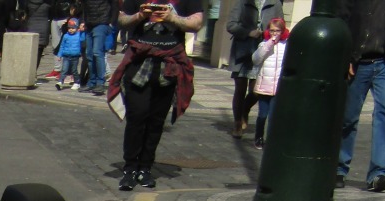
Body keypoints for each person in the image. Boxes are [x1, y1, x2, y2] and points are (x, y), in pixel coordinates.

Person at [110, 0, 204, 190]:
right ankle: (130, 168)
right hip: (139, 64)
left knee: (155, 121)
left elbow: (196, 23)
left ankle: (145, 168)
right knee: (136, 117)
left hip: (169, 65)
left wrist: (171, 18)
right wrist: (140, 15)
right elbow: (120, 20)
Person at [335, 0, 385, 192]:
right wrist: (344, 55)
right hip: (357, 61)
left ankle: (379, 174)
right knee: (348, 118)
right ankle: (338, 169)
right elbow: (341, 19)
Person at [225, 0, 281, 139]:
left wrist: (271, 35)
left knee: (256, 91)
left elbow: (281, 26)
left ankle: (244, 110)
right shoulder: (242, 2)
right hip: (243, 52)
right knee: (240, 88)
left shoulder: (275, 3)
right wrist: (248, 33)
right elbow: (231, 25)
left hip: (263, 52)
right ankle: (238, 123)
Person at [250, 17, 288, 148]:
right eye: (272, 30)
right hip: (264, 86)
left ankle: (272, 140)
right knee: (262, 115)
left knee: (274, 117)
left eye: (277, 31)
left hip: (278, 87)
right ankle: (258, 137)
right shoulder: (264, 44)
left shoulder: (286, 46)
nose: (274, 33)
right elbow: (255, 59)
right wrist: (268, 44)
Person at [80, 0, 117, 94]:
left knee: (97, 52)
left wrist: (112, 22)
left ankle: (100, 82)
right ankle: (92, 82)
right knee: (89, 54)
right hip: (89, 24)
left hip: (102, 22)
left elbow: (114, 4)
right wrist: (82, 21)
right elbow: (84, 6)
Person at [56, 17, 85, 88]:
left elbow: (83, 40)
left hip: (75, 56)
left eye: (73, 28)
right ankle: (60, 82)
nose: (71, 30)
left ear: (77, 28)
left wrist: (82, 31)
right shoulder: (66, 36)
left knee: (74, 70)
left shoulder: (79, 35)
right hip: (66, 56)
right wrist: (59, 55)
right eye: (69, 28)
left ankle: (77, 82)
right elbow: (62, 45)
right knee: (64, 70)